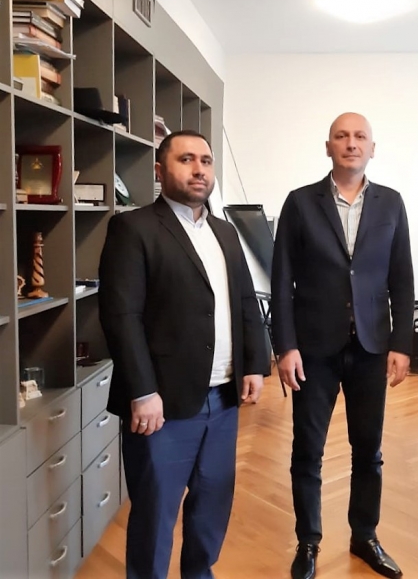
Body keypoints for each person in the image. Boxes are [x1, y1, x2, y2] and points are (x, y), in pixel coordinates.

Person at [99, 129, 269, 579]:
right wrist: (142, 391)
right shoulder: (133, 228)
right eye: (186, 159)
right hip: (161, 407)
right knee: (155, 515)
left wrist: (255, 364)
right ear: (160, 171)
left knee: (212, 508)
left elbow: (245, 302)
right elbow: (121, 316)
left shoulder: (225, 232)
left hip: (223, 400)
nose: (199, 170)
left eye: (206, 161)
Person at [271, 112, 414, 579]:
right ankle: (308, 542)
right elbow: (281, 280)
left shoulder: (392, 203)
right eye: (341, 136)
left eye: (360, 137)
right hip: (313, 348)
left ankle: (364, 535)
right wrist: (285, 345)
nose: (351, 143)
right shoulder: (300, 202)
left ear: (372, 148)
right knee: (307, 450)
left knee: (368, 450)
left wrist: (402, 343)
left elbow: (402, 278)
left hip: (372, 347)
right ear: (328, 146)